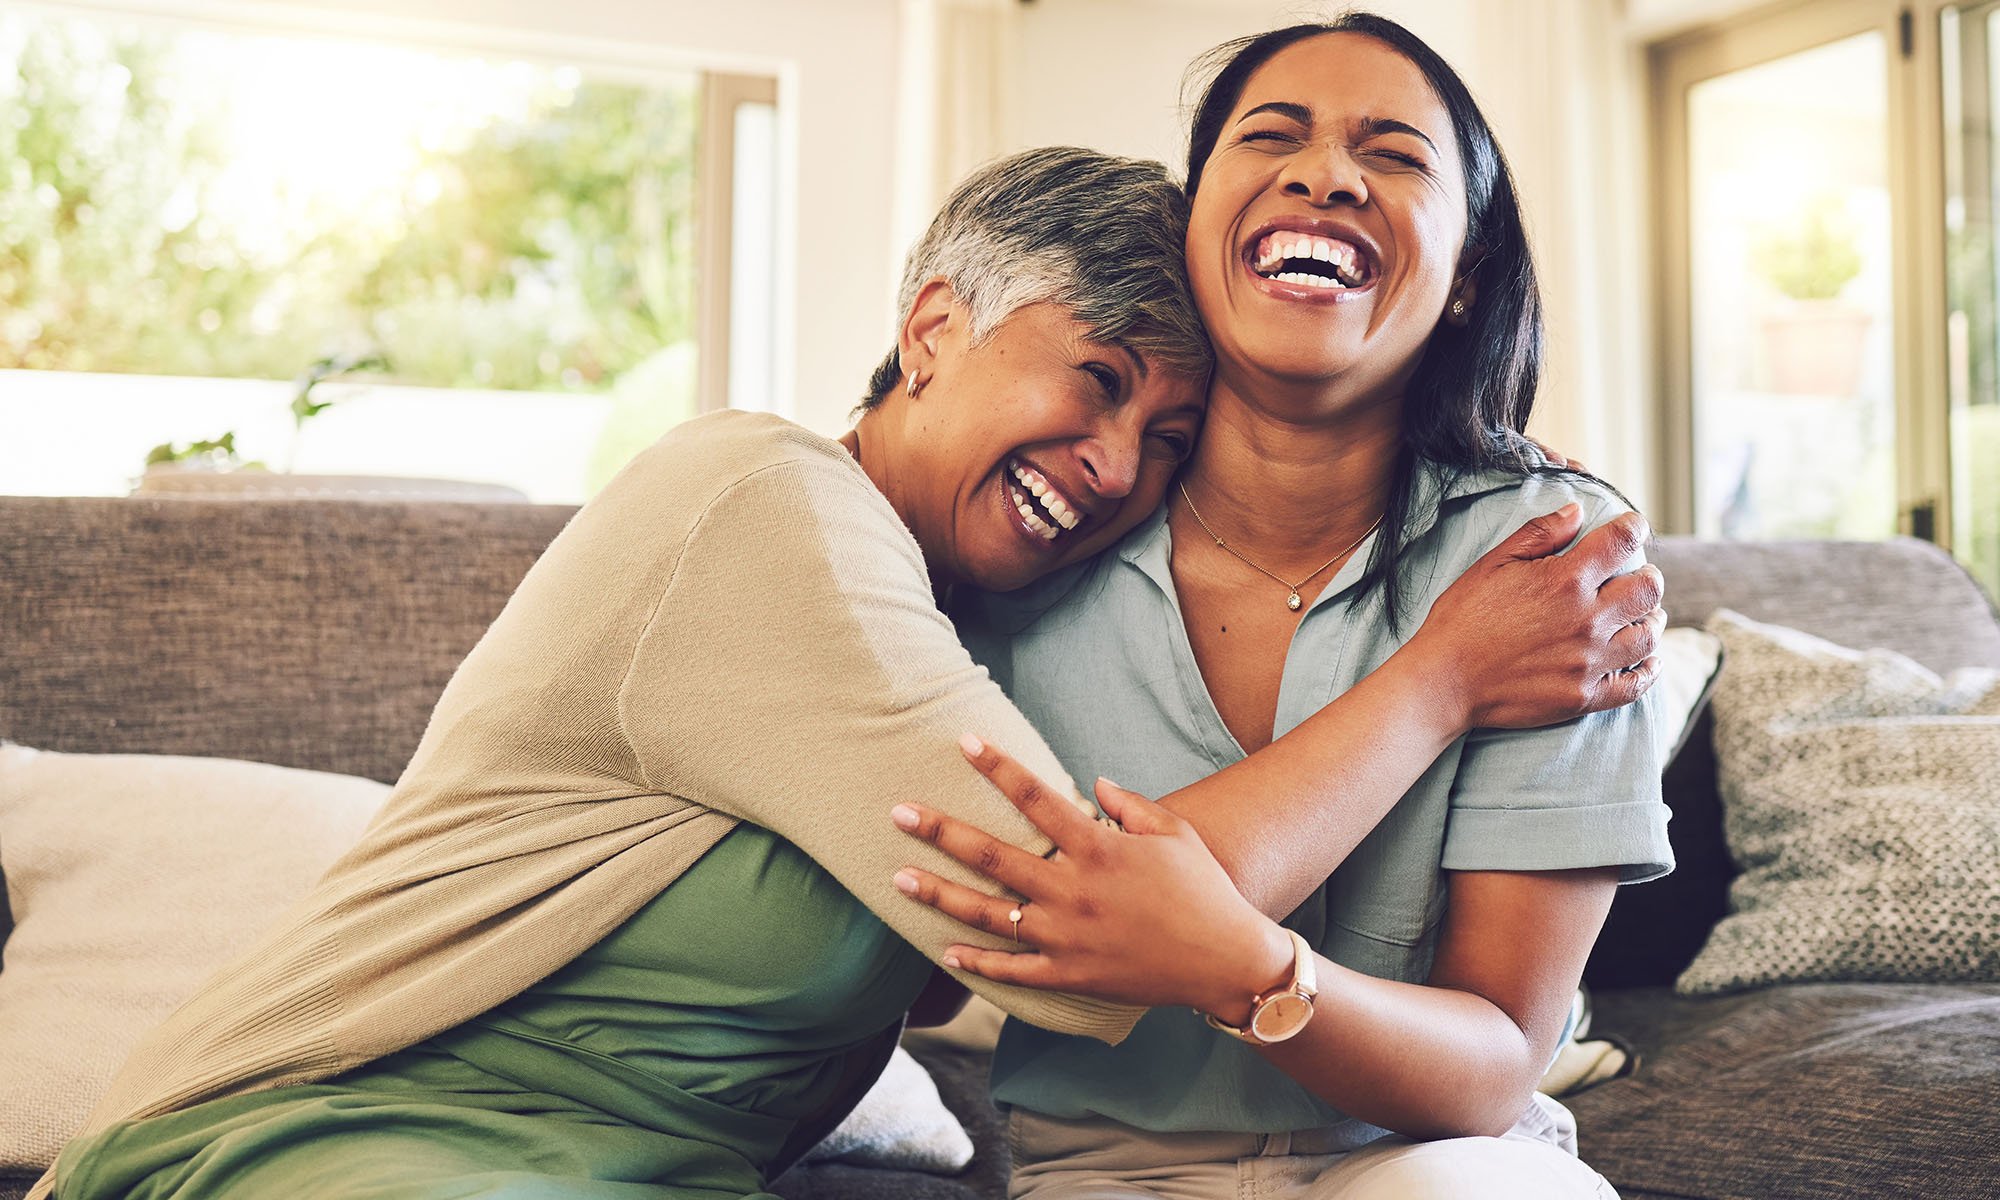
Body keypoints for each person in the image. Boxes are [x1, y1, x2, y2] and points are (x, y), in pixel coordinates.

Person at [38, 144, 1657, 1200]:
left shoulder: (972, 630)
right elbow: (1082, 945)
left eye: (1164, 438)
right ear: (935, 327)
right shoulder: (760, 499)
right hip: (324, 1146)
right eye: (1089, 383)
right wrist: (1443, 678)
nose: (1109, 466)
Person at [892, 15, 1670, 1200]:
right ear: (1191, 226)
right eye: (1270, 136)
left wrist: (1253, 973)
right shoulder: (1039, 520)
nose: (1324, 172)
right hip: (1106, 1170)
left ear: (1463, 277)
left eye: (1395, 154)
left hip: (1436, 1159)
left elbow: (1495, 1064)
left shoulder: (1544, 561)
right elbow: (966, 950)